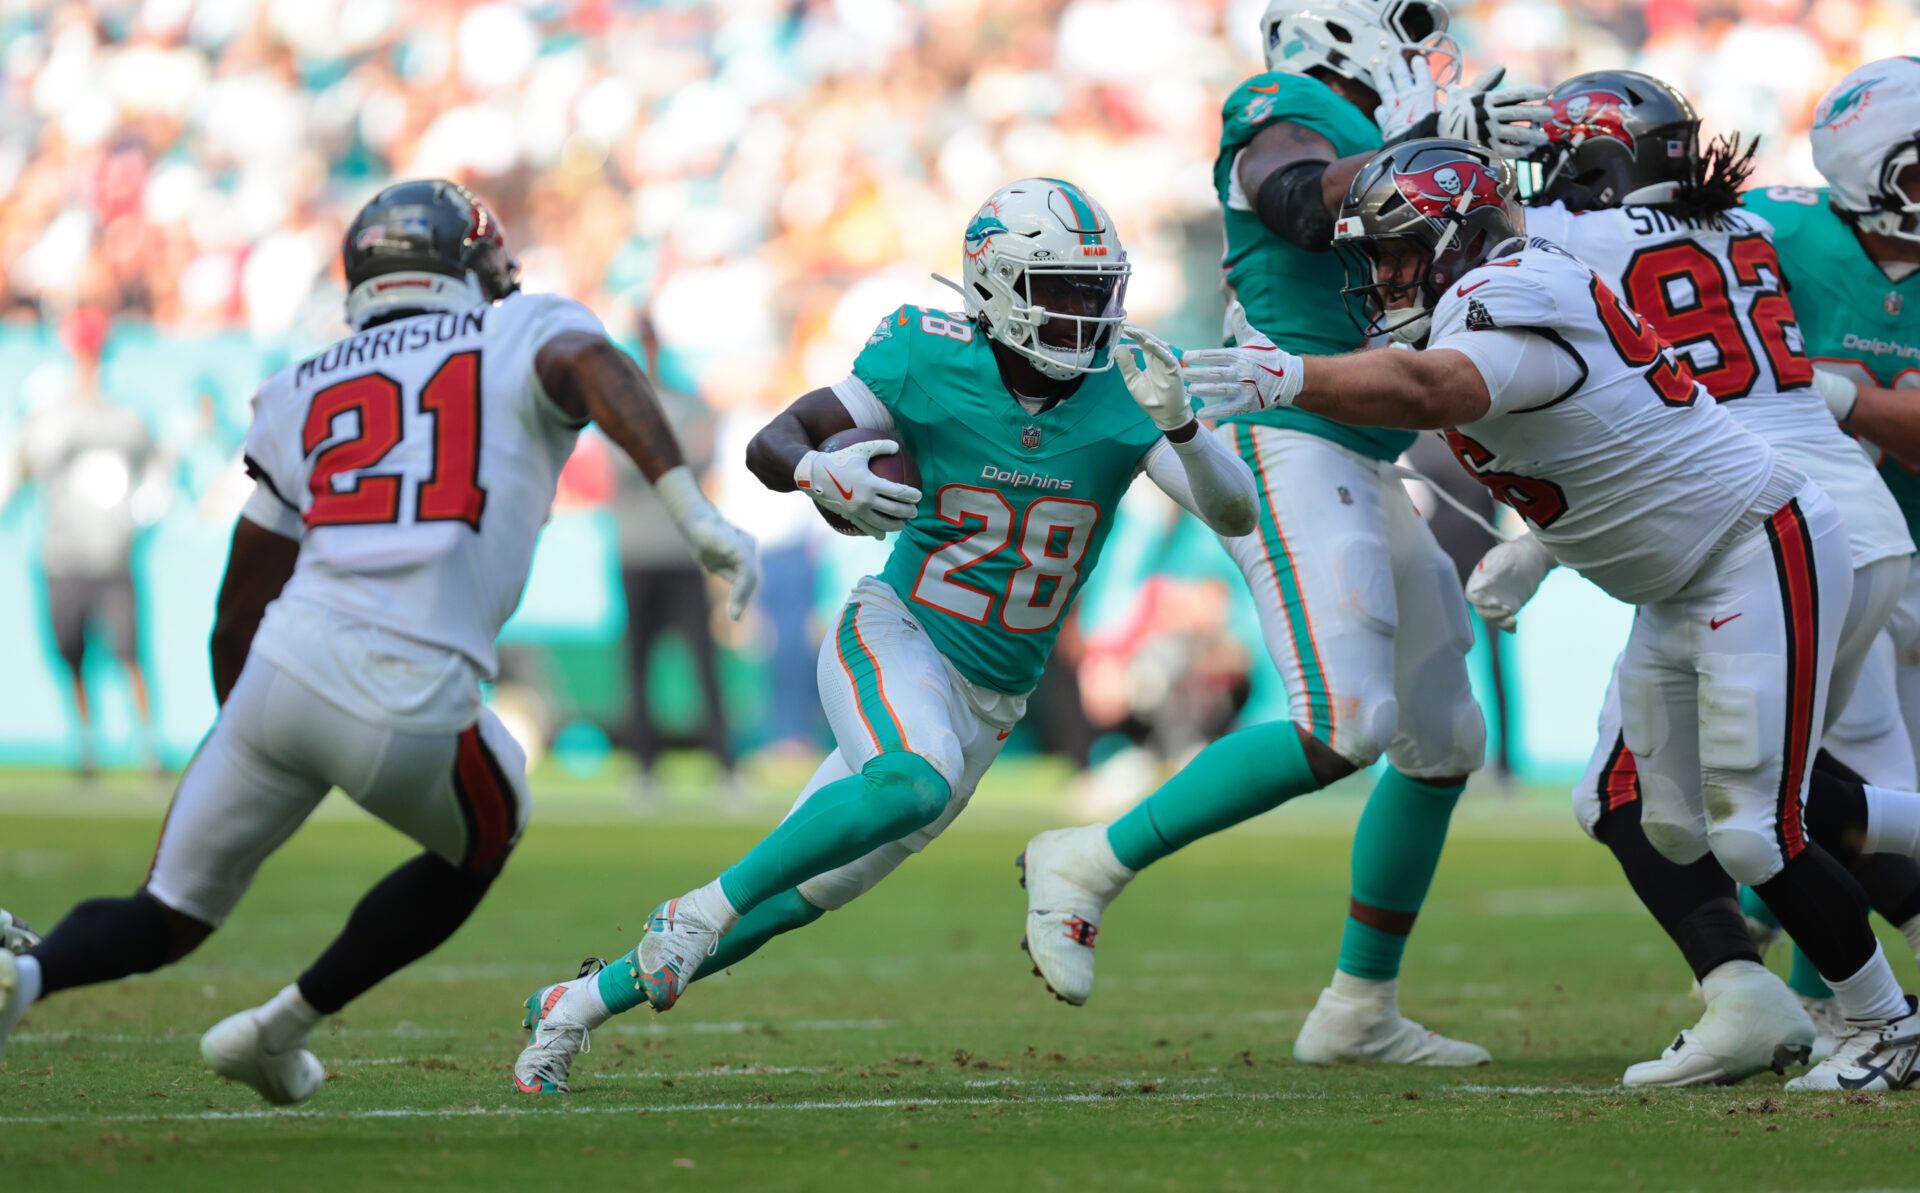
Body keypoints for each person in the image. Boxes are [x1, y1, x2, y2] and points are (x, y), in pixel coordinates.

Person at [1179, 135, 1920, 1092]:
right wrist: (1540, 549)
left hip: (1753, 552)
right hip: (1686, 574)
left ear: (1461, 237)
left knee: (1750, 829)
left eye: (1401, 250)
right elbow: (1609, 453)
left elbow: (1437, 388)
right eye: (1375, 256)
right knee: (1658, 817)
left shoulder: (1509, 289)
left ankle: (1883, 1026)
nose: (1384, 275)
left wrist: (1294, 379)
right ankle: (1759, 1004)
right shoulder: (1488, 297)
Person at [0, 180, 759, 1105]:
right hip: (409, 680)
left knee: (164, 911)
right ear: (467, 268)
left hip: (282, 667)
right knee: (490, 828)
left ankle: (25, 980)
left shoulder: (301, 384)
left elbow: (242, 596)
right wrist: (689, 506)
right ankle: (277, 1028)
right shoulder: (518, 329)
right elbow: (595, 364)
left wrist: (245, 735)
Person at [511, 177, 1260, 1094]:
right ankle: (694, 910)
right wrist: (822, 468)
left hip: (993, 698)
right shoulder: (923, 355)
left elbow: (1234, 511)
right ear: (997, 288)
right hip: (897, 632)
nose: (1085, 313)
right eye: (1061, 289)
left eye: (1095, 289)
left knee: (798, 894)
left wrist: (1182, 423)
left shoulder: (1126, 392)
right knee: (910, 777)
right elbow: (772, 443)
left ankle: (574, 1007)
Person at [1019, 0, 1549, 1067]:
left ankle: (1359, 1006)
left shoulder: (1381, 132)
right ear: (1340, 32)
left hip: (1360, 446)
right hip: (1284, 432)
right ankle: (1087, 857)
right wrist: (1434, 148)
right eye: (1408, 28)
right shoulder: (1284, 106)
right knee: (1345, 718)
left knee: (1444, 741)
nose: (1427, 52)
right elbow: (1299, 200)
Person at [1465, 71, 1919, 1086]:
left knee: (1655, 799)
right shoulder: (1742, 227)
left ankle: (1803, 1005)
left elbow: (1465, 235)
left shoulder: (1572, 239)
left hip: (1754, 522)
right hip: (1854, 524)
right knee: (1790, 797)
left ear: (1596, 160)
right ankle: (1766, 998)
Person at [1732, 57, 1920, 1066]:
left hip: (1889, 555)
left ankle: (1848, 1007)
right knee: (1831, 792)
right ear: (1860, 170)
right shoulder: (1776, 234)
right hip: (1799, 551)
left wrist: (1841, 395)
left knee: (1817, 794)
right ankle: (1835, 1007)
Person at [8, 307, 165, 777]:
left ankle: (148, 748)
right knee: (72, 656)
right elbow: (19, 472)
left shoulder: (127, 416)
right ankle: (87, 745)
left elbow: (155, 474)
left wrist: (140, 517)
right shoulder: (45, 415)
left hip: (112, 556)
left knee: (129, 654)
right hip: (63, 556)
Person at [611, 312, 741, 807]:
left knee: (704, 666)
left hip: (681, 553)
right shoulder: (620, 408)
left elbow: (699, 458)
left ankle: (726, 767)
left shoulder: (687, 404)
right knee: (637, 665)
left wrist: (661, 453)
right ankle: (644, 768)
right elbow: (636, 464)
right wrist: (673, 453)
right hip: (638, 552)